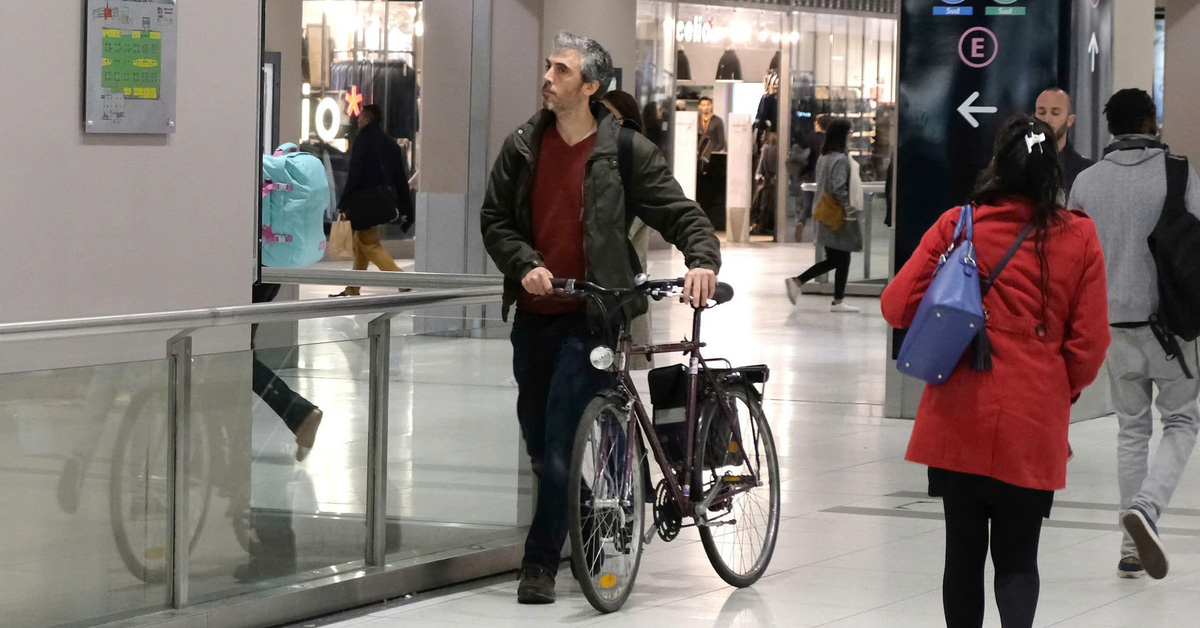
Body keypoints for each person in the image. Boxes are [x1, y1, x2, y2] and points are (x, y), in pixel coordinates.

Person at [480, 31, 720, 605]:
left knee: (563, 439)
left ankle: (540, 563)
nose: (547, 78)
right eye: (547, 67)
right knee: (540, 444)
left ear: (590, 86)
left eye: (560, 71)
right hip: (535, 315)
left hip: (594, 318)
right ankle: (600, 516)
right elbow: (495, 220)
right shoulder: (522, 147)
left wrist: (702, 260)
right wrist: (525, 263)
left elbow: (678, 211)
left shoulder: (625, 152)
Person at [882, 116, 1110, 628]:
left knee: (961, 554)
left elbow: (897, 306)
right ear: (1053, 170)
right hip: (1032, 419)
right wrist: (1060, 388)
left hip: (958, 414)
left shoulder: (959, 225)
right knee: (1018, 557)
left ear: (996, 166)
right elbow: (1091, 343)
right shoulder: (1080, 237)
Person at [1068, 88, 1200, 581]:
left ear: (1110, 127)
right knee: (1183, 421)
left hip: (1110, 324)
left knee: (1132, 429)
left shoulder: (1085, 182)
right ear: (1151, 121)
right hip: (1169, 324)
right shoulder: (1178, 172)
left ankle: (1129, 549)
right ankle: (1146, 508)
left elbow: (1073, 254)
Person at [331, 104, 413, 297]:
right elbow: (400, 178)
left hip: (364, 204)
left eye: (360, 117)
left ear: (367, 119)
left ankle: (400, 279)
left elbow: (355, 174)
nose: (357, 121)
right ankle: (353, 288)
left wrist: (343, 202)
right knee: (362, 245)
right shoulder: (390, 144)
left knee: (370, 245)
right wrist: (407, 208)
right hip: (382, 203)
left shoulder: (363, 141)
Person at [785, 119, 862, 312]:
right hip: (836, 215)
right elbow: (838, 188)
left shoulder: (824, 157)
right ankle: (801, 283)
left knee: (838, 257)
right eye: (849, 133)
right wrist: (849, 208)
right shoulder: (840, 159)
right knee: (840, 257)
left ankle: (837, 299)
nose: (850, 137)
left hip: (823, 212)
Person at [601, 90, 654, 370]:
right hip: (594, 284)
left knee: (619, 367)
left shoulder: (641, 158)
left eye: (615, 119)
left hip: (628, 278)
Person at [1035, 88, 1094, 195]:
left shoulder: (1086, 170)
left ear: (1070, 120)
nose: (1047, 119)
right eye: (1041, 112)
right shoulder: (1021, 164)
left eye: (1055, 113)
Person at [697, 96, 726, 164]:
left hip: (713, 156)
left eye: (708, 105)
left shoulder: (718, 121)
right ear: (700, 107)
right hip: (697, 156)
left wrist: (710, 153)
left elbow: (721, 142)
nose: (706, 107)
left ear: (711, 106)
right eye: (704, 105)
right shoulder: (696, 120)